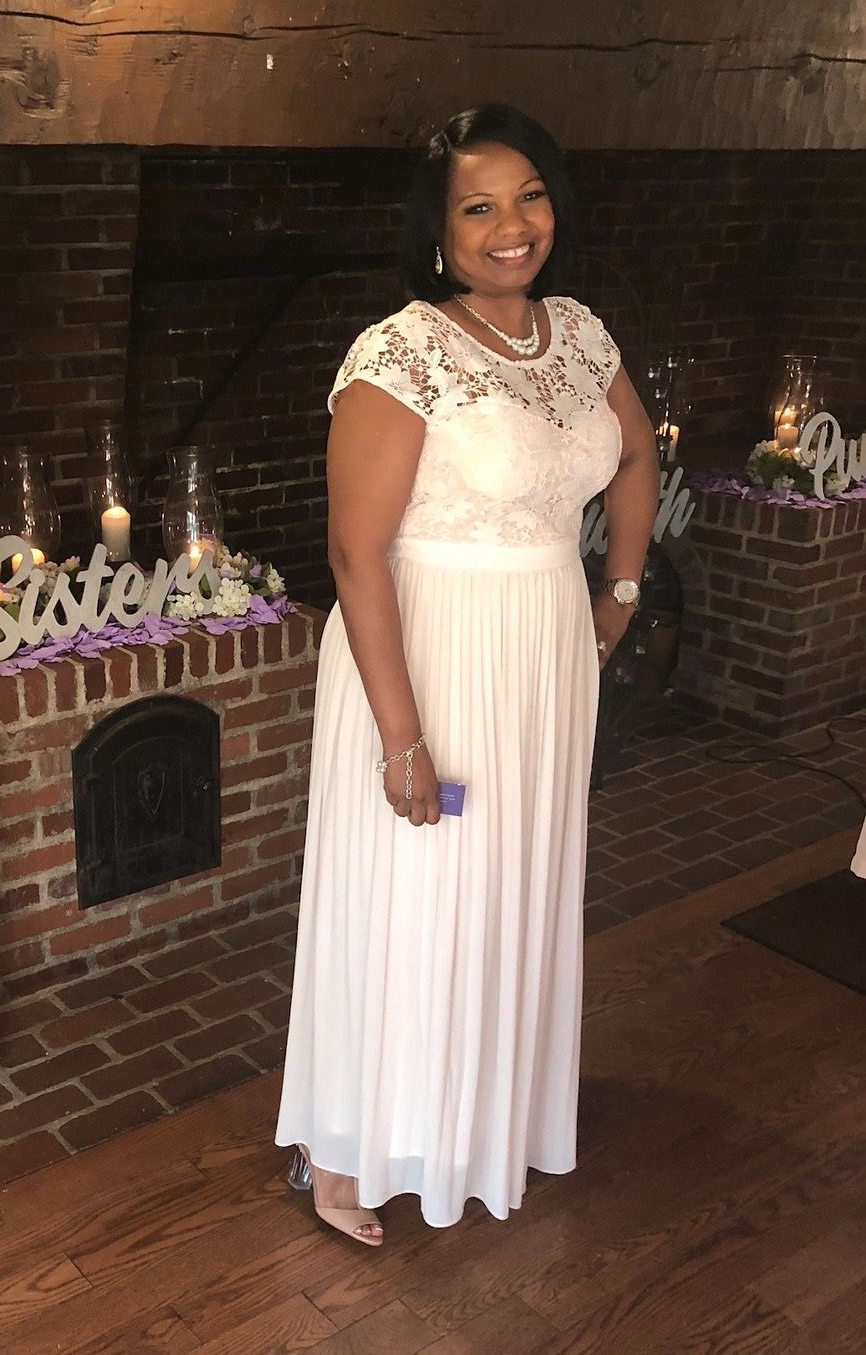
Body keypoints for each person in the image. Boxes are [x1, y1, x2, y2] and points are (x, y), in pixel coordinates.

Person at [275, 103, 659, 1240]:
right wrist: (402, 734)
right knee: (415, 893)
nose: (510, 225)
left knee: (505, 890)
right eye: (477, 206)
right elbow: (354, 551)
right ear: (437, 232)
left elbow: (634, 453)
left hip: (540, 651)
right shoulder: (401, 350)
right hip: (424, 650)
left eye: (527, 195)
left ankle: (476, 1117)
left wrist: (619, 593)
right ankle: (341, 1148)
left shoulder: (579, 334)